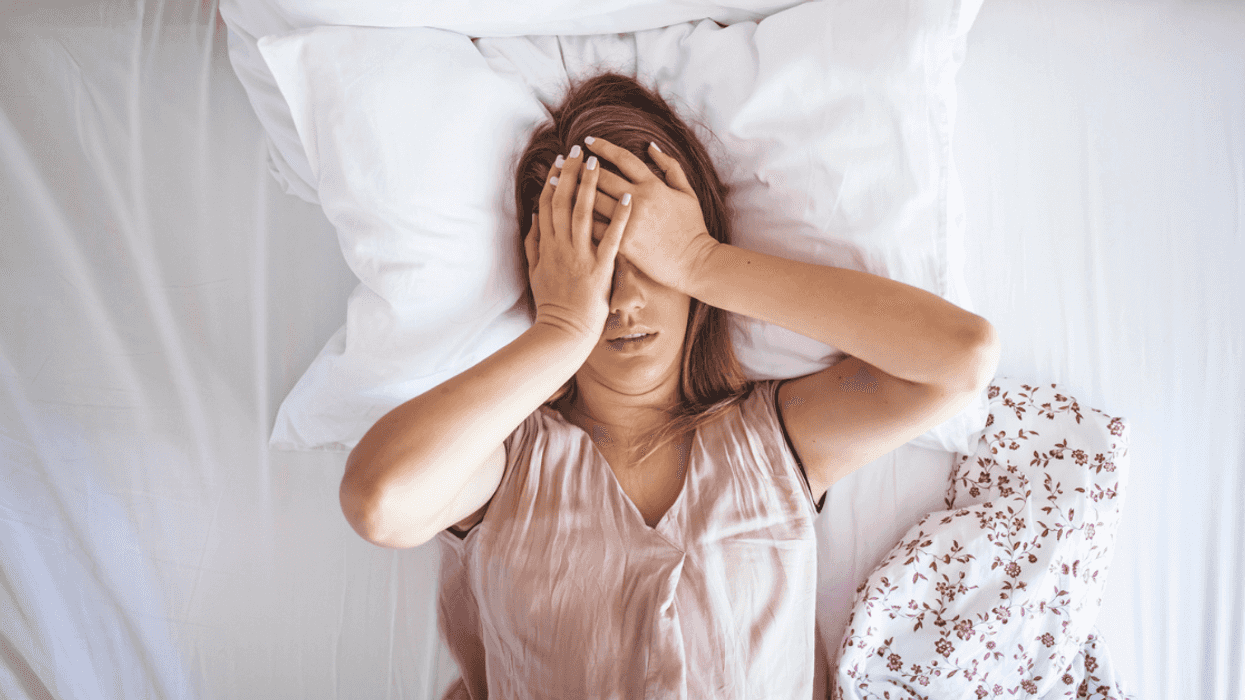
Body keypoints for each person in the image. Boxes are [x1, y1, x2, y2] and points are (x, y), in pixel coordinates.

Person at [338, 72, 1000, 699]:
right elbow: (380, 501)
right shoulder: (507, 466)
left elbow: (959, 358)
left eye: (645, 260)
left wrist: (700, 261)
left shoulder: (773, 442)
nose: (623, 299)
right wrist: (563, 328)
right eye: (594, 265)